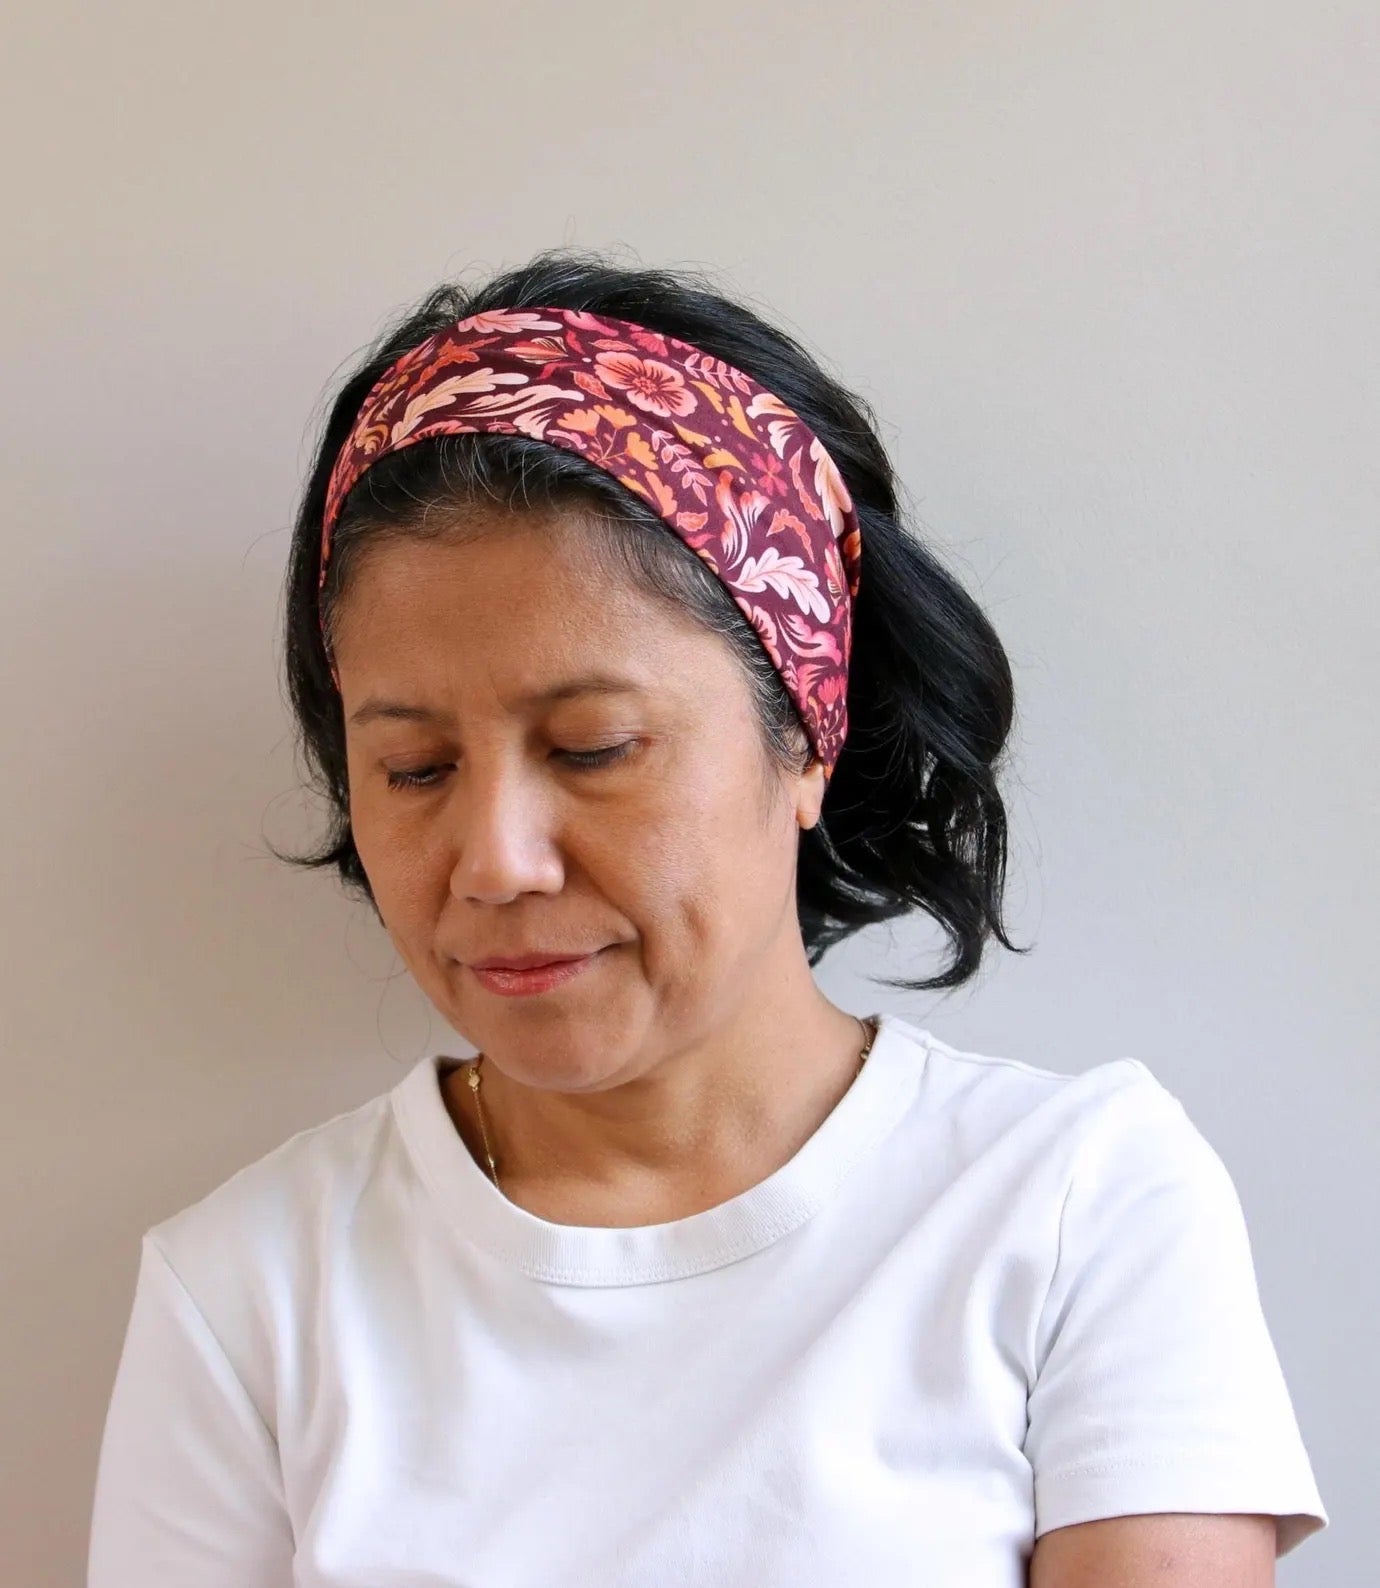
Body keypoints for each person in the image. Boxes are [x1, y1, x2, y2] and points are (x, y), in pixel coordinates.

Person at [86, 249, 1328, 1586]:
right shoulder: (249, 1292)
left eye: (595, 747)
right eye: (415, 770)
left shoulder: (1075, 1202)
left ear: (806, 738)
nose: (493, 863)